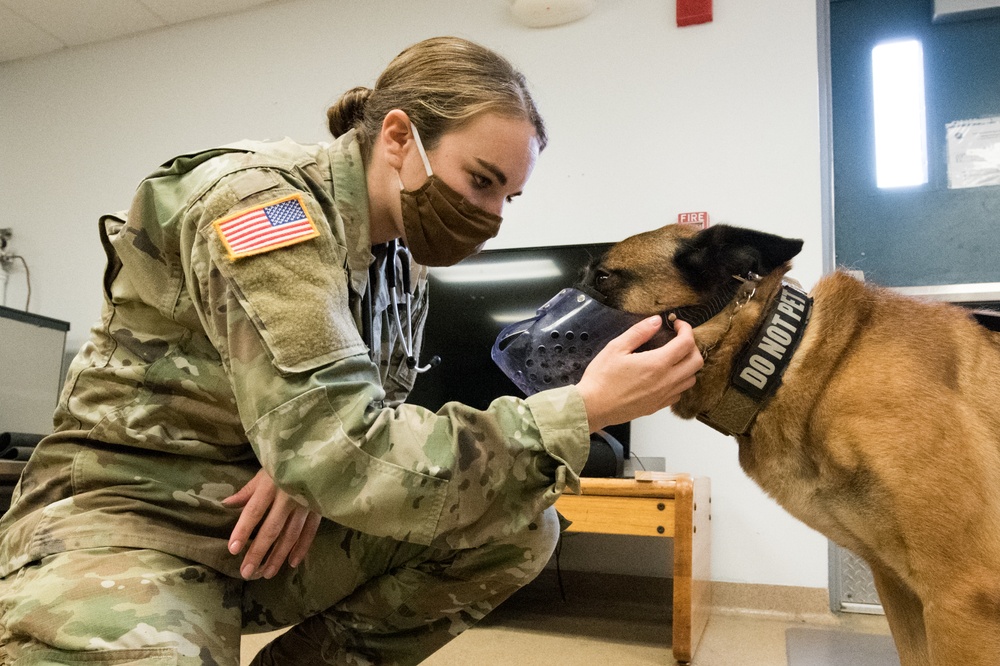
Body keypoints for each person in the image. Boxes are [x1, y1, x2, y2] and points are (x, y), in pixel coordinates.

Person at [0, 36, 703, 665]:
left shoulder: (399, 261)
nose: (489, 217)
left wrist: (299, 462)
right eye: (480, 181)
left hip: (256, 519)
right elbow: (341, 447)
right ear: (399, 136)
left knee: (520, 523)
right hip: (129, 517)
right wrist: (580, 410)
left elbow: (355, 417)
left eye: (507, 199)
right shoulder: (261, 207)